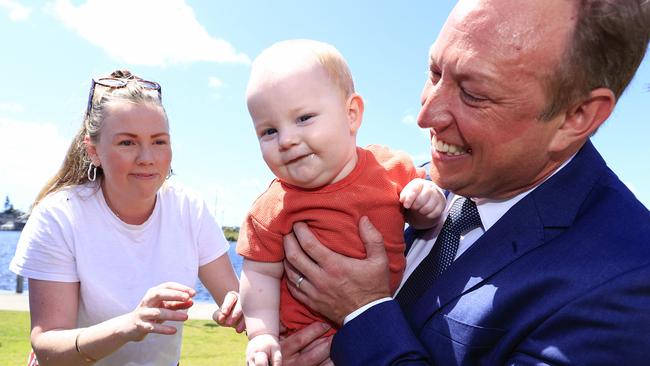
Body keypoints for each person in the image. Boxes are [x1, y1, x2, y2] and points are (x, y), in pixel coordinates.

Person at [278, 1, 650, 365]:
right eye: (434, 72)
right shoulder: (408, 181)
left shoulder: (627, 284)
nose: (425, 115)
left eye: (473, 93)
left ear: (576, 117)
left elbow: (366, 324)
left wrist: (362, 312)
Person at [9, 69, 245, 366]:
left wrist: (237, 307)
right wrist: (130, 325)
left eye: (159, 141)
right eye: (127, 142)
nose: (147, 157)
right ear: (93, 151)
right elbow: (47, 346)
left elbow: (234, 298)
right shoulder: (58, 216)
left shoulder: (189, 208)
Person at [237, 40, 446, 365]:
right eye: (268, 131)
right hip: (306, 345)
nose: (287, 139)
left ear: (351, 114)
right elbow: (259, 274)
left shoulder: (393, 169)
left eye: (304, 118)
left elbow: (422, 222)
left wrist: (426, 204)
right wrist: (262, 333)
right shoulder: (272, 207)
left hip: (378, 333)